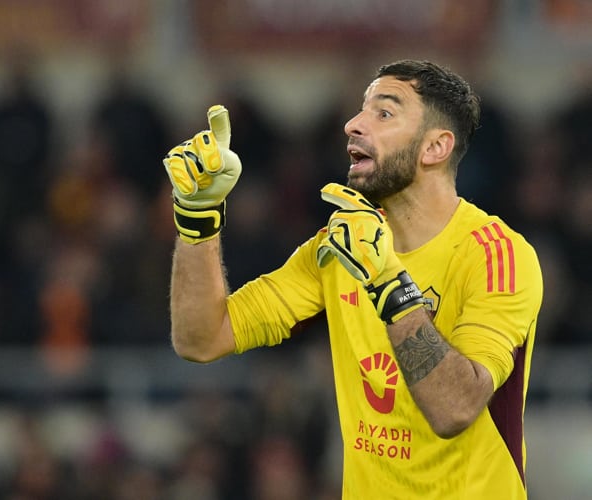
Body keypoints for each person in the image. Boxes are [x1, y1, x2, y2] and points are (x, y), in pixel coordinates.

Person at [162, 60, 543, 499]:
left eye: (384, 113)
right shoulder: (339, 247)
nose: (352, 124)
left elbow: (454, 409)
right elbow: (201, 339)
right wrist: (197, 221)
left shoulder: (497, 254)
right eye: (362, 110)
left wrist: (388, 283)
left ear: (435, 147)